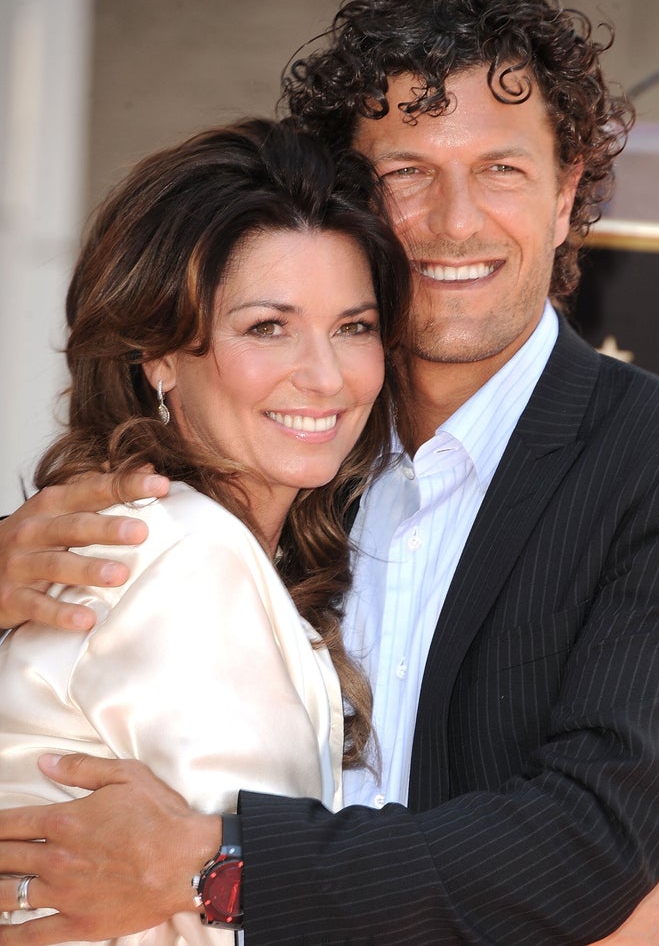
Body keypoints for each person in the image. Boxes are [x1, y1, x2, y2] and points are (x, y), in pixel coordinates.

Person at [0, 0, 659, 946]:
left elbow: (587, 838)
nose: (456, 220)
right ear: (352, 199)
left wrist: (224, 867)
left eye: (502, 169)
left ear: (568, 195)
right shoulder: (281, 461)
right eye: (408, 171)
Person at [0, 116, 413, 944]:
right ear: (159, 353)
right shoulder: (186, 553)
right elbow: (262, 919)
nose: (326, 375)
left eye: (353, 326)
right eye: (268, 326)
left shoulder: (144, 537)